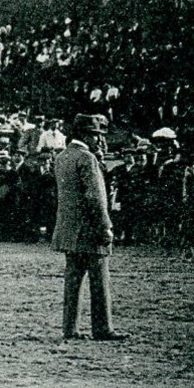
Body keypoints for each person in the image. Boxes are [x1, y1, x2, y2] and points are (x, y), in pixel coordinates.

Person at [53, 114, 127, 341]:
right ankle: (102, 328)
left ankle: (70, 328)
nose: (101, 141)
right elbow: (95, 197)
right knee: (99, 280)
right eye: (97, 136)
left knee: (73, 281)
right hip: (89, 229)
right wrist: (105, 226)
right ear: (86, 135)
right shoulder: (87, 159)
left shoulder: (63, 157)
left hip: (69, 229)